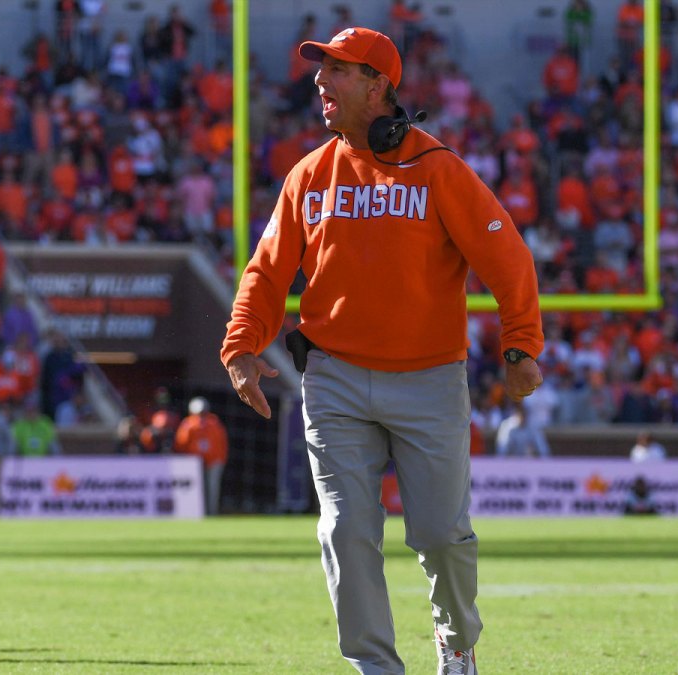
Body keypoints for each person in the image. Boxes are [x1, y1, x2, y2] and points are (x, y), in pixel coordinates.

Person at [221, 26, 543, 675]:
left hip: (429, 379)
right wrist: (242, 344)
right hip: (334, 379)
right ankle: (374, 666)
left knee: (441, 536)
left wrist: (520, 346)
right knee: (344, 529)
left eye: (337, 70)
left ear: (378, 85)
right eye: (321, 70)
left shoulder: (437, 167)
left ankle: (456, 645)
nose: (320, 82)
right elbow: (267, 269)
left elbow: (506, 256)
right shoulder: (310, 175)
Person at [174, 397, 229, 515]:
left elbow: (222, 444)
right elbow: (181, 443)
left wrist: (220, 460)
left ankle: (211, 513)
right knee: (196, 490)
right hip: (195, 463)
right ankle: (198, 513)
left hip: (213, 462)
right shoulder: (189, 425)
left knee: (212, 489)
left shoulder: (214, 424)